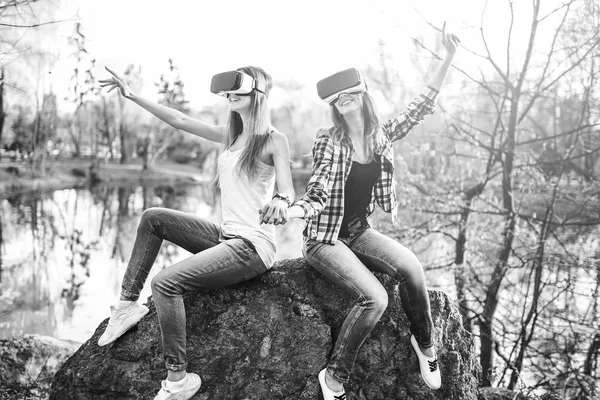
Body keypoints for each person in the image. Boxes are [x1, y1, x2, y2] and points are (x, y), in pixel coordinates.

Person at [265, 24, 460, 400]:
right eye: (337, 101)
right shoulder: (329, 140)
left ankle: (426, 346)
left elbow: (423, 104)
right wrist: (294, 211)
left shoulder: (381, 135)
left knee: (412, 268)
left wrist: (448, 57)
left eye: (349, 96)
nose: (343, 103)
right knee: (375, 299)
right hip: (324, 239)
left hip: (357, 232)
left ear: (362, 95)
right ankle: (334, 377)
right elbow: (319, 186)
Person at [98, 66, 295, 400]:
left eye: (238, 94)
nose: (231, 100)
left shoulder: (273, 140)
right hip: (226, 236)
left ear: (258, 96)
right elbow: (181, 120)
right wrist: (133, 95)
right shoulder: (231, 136)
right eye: (228, 95)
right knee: (153, 217)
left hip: (253, 247)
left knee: (165, 283)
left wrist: (280, 200)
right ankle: (127, 304)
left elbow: (288, 190)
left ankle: (178, 381)